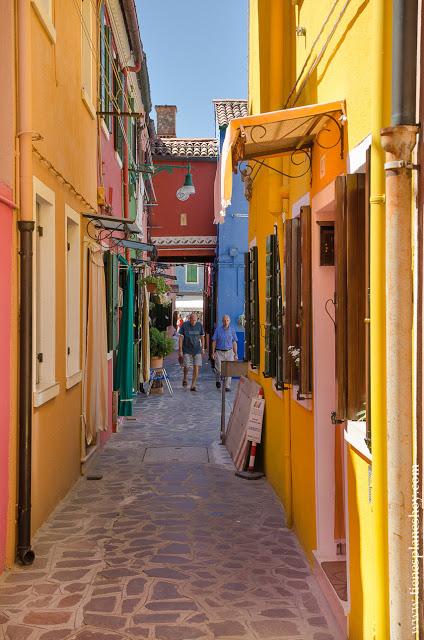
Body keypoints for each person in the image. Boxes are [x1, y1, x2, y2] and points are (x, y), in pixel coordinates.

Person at [178, 312, 205, 391]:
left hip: (197, 349)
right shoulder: (184, 325)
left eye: (195, 320)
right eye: (192, 320)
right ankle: (185, 377)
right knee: (187, 366)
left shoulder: (199, 325)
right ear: (189, 319)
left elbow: (202, 337)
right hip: (186, 349)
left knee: (196, 366)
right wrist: (180, 350)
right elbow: (180, 338)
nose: (193, 322)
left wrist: (203, 348)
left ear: (197, 319)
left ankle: (193, 385)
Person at [211, 315, 238, 391]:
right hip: (219, 352)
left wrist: (236, 354)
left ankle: (227, 386)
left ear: (229, 321)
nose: (226, 322)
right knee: (219, 370)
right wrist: (213, 353)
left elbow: (234, 342)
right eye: (224, 320)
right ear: (222, 321)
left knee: (229, 370)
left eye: (227, 320)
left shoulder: (232, 330)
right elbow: (214, 341)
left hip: (229, 352)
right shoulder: (218, 330)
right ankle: (218, 380)